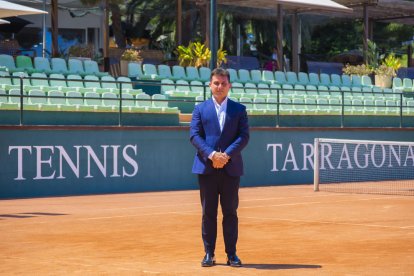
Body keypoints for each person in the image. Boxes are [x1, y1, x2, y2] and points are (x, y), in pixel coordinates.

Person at [190, 68, 250, 267]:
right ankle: (209, 253)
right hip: (206, 168)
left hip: (230, 168)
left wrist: (226, 155)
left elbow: (243, 136)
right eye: (216, 83)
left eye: (223, 83)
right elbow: (195, 136)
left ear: (229, 86)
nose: (219, 87)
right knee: (208, 213)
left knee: (230, 213)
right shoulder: (200, 109)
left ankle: (231, 254)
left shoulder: (239, 109)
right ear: (210, 85)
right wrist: (213, 154)